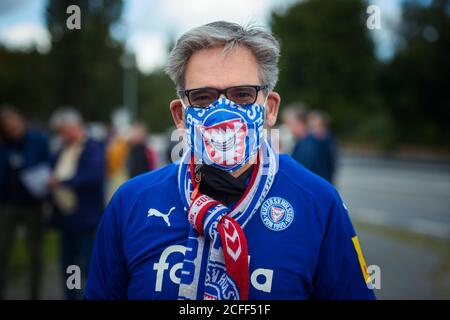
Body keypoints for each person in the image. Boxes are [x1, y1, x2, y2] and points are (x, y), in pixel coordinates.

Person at [86, 21, 375, 300]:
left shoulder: (318, 203)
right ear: (180, 115)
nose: (223, 113)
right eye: (203, 97)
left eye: (242, 95)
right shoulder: (131, 203)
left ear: (270, 108)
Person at [48, 108, 105, 300]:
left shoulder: (92, 146)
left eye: (64, 130)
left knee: (88, 262)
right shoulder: (63, 148)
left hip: (85, 216)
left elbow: (94, 176)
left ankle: (88, 295)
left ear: (75, 126)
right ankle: (71, 295)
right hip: (66, 216)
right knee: (68, 262)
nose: (61, 135)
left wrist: (64, 182)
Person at [0, 106, 51, 299]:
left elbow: (49, 165)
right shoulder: (4, 144)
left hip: (33, 204)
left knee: (35, 252)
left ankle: (35, 293)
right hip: (8, 204)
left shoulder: (37, 140)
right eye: (7, 125)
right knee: (3, 249)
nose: (12, 126)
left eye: (14, 121)